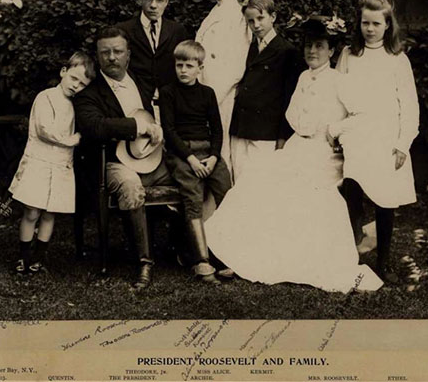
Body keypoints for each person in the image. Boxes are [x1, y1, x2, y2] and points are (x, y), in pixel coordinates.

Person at [204, 17, 383, 293]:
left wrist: (335, 129)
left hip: (323, 153)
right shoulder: (302, 77)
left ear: (331, 51)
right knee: (257, 180)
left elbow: (365, 115)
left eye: (320, 46)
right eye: (309, 46)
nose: (313, 51)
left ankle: (287, 258)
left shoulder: (339, 81)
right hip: (297, 146)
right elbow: (294, 115)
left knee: (300, 190)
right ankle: (242, 254)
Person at [329, 0, 420, 283]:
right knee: (351, 192)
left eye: (376, 23)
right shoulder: (348, 55)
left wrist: (402, 143)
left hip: (386, 135)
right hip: (357, 134)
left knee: (385, 199)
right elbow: (337, 97)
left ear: (387, 25)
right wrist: (338, 131)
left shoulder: (397, 59)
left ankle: (384, 261)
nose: (370, 28)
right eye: (365, 23)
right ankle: (350, 252)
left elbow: (409, 105)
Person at [73, 27, 171, 290]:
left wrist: (160, 127)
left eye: (118, 51)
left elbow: (162, 110)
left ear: (128, 54)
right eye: (105, 52)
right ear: (97, 56)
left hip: (152, 157)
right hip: (113, 161)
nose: (112, 57)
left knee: (187, 174)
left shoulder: (143, 81)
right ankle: (144, 262)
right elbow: (94, 126)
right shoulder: (88, 93)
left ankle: (191, 251)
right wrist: (138, 127)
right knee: (130, 186)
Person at [9, 51, 95, 274]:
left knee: (50, 213)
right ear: (63, 72)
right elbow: (45, 130)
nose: (76, 86)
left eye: (82, 84)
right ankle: (24, 257)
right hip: (39, 161)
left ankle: (39, 258)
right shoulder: (46, 97)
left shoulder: (75, 105)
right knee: (32, 211)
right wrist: (71, 140)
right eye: (74, 79)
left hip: (60, 164)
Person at [177, 0, 261, 171]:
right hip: (205, 92)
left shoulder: (239, 16)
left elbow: (236, 64)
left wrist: (211, 96)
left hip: (221, 96)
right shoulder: (214, 13)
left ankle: (221, 205)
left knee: (221, 152)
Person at [159, 41, 232, 285]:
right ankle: (202, 261)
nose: (183, 70)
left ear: (200, 68)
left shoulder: (207, 93)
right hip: (182, 153)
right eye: (179, 65)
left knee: (227, 191)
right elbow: (169, 131)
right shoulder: (168, 92)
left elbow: (218, 131)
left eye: (189, 66)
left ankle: (228, 255)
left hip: (207, 152)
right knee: (192, 195)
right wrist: (191, 159)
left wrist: (213, 157)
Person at [230, 0, 303, 180]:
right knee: (238, 181)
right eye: (250, 21)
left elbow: (289, 99)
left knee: (260, 183)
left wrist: (282, 137)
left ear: (273, 17)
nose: (256, 25)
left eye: (261, 18)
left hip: (266, 133)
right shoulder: (248, 47)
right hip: (242, 128)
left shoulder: (287, 52)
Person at [116, 0, 189, 113]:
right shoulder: (124, 31)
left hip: (172, 106)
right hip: (135, 105)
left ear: (167, 1)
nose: (153, 5)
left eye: (159, 0)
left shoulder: (177, 31)